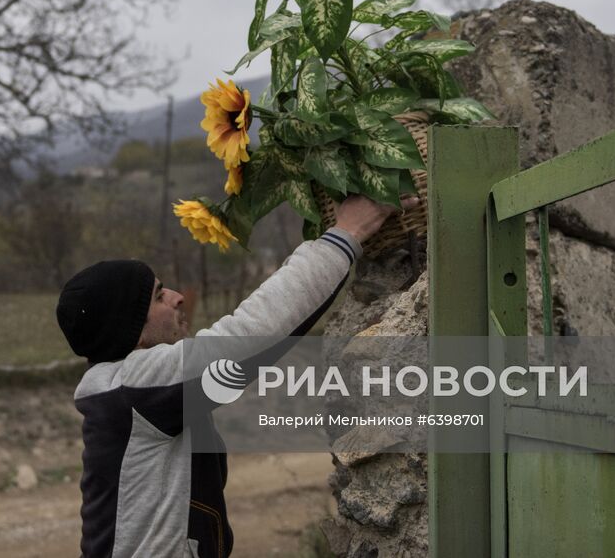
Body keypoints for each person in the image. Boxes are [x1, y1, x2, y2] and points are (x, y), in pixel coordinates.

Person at [55, 193, 414, 558]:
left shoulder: (124, 390)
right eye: (159, 296)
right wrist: (347, 232)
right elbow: (253, 333)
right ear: (131, 330)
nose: (178, 297)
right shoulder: (135, 389)